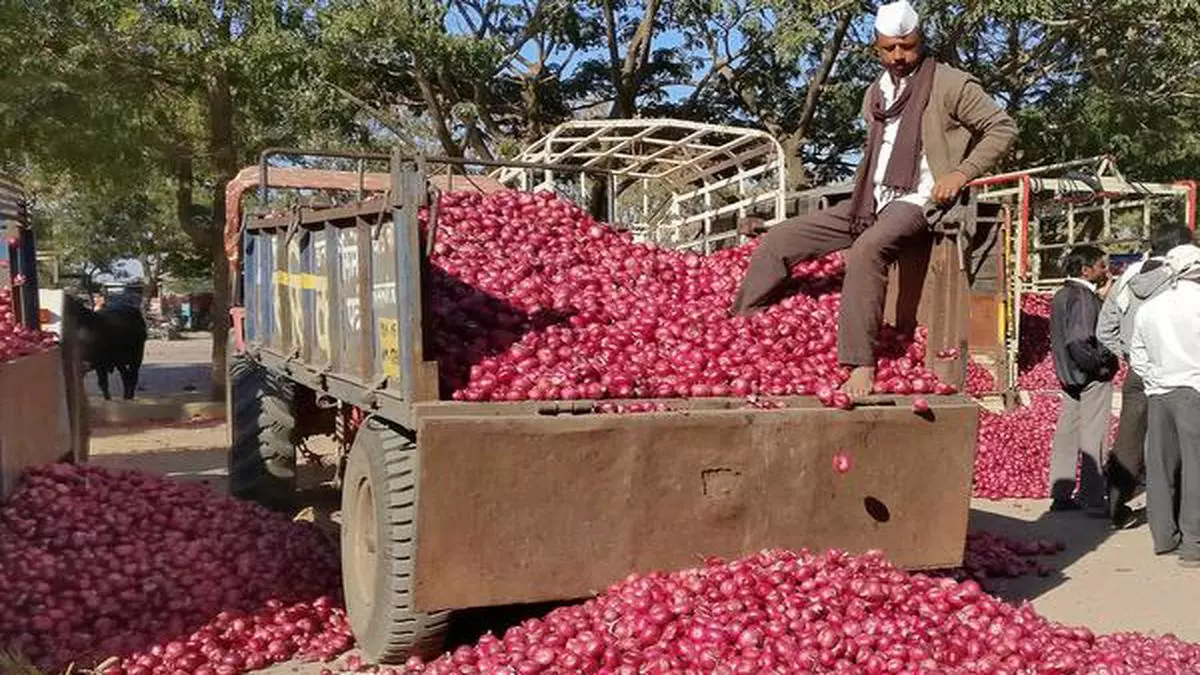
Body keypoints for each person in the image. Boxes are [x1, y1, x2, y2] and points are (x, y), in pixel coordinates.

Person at [729, 0, 1017, 398]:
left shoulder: (951, 84)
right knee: (780, 239)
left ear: (921, 41)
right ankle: (745, 318)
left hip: (918, 199)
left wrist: (960, 173)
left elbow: (1001, 129)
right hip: (870, 198)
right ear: (877, 48)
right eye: (889, 48)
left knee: (867, 250)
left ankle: (860, 363)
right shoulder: (876, 93)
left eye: (907, 46)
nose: (899, 56)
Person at [1096, 225, 1196, 529]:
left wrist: (1129, 354)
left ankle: (1115, 506)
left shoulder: (1128, 276)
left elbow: (1104, 329)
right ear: (1182, 246)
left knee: (1128, 437)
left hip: (1138, 371)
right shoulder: (1185, 278)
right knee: (1174, 444)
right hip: (1177, 372)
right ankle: (1172, 518)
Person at [1129, 244, 1200, 565]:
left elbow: (1137, 355)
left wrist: (1156, 378)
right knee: (1195, 467)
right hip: (1193, 391)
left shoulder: (1151, 309)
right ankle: (1193, 543)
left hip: (1159, 393)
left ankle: (1163, 537)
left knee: (1159, 467)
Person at [1047, 245, 1120, 513]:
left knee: (1067, 431)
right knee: (1094, 435)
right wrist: (1099, 365)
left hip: (1068, 376)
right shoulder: (1083, 298)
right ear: (1085, 270)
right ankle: (1092, 498)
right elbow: (1079, 339)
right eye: (1101, 266)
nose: (1106, 271)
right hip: (1090, 376)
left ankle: (1061, 492)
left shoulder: (1061, 295)